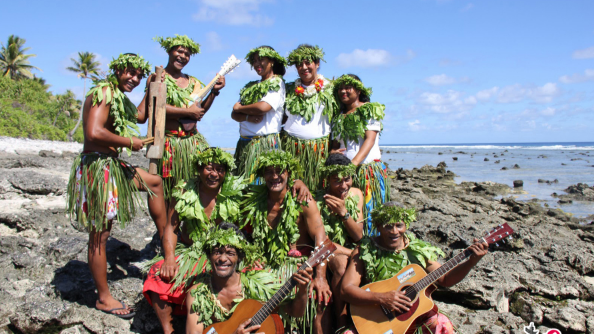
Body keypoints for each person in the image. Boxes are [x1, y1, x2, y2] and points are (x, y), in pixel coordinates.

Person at [66, 53, 167, 318]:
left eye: (137, 75)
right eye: (130, 73)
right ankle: (104, 298)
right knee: (99, 235)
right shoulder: (103, 92)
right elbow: (93, 132)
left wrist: (149, 87)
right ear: (117, 69)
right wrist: (128, 142)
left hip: (111, 164)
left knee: (154, 183)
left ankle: (168, 244)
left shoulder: (118, 96)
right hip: (97, 168)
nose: (133, 78)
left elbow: (141, 116)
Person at [340, 202, 489, 334]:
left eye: (399, 225)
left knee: (443, 325)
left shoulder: (416, 250)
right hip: (378, 321)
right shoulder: (365, 249)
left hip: (414, 318)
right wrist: (382, 298)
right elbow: (346, 289)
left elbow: (445, 278)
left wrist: (471, 262)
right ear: (378, 226)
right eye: (388, 226)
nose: (394, 231)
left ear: (406, 225)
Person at [142, 147, 244, 334]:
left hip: (220, 256)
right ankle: (168, 330)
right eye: (209, 168)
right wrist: (170, 257)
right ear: (199, 169)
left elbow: (240, 232)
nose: (214, 174)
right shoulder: (183, 191)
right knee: (157, 274)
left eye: (220, 169)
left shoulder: (233, 192)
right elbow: (171, 229)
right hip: (191, 253)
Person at [240, 150, 331, 333]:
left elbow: (321, 237)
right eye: (269, 172)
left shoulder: (303, 200)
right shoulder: (254, 200)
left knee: (320, 299)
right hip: (266, 262)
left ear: (289, 173)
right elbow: (242, 234)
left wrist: (320, 277)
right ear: (262, 175)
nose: (274, 176)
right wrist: (250, 256)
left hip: (296, 264)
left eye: (280, 171)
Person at [185, 223, 314, 334]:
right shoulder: (198, 294)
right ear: (209, 255)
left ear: (239, 257)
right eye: (217, 252)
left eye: (230, 253)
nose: (223, 259)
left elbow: (294, 312)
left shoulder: (258, 284)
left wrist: (302, 290)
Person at [150, 34, 226, 199]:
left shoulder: (194, 83)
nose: (183, 56)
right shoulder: (158, 78)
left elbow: (199, 112)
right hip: (168, 143)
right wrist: (186, 112)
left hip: (191, 143)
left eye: (187, 54)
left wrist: (214, 91)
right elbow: (156, 108)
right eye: (179, 51)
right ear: (169, 52)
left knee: (189, 189)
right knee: (167, 191)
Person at [330, 74, 390, 235]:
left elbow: (369, 140)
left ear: (358, 89)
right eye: (340, 88)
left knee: (371, 211)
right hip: (345, 175)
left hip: (367, 171)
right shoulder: (338, 118)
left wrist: (353, 165)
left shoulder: (369, 109)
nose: (343, 91)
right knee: (353, 211)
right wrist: (333, 153)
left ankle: (374, 243)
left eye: (347, 87)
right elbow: (335, 146)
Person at [315, 153, 364, 330]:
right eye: (337, 180)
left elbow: (359, 236)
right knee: (342, 265)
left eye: (347, 179)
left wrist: (344, 214)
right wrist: (351, 254)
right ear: (327, 180)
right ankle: (341, 321)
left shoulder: (356, 194)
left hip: (347, 247)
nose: (344, 185)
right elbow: (324, 242)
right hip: (324, 251)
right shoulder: (318, 200)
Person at [283, 44, 338, 191]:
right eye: (299, 64)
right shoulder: (288, 89)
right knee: (292, 188)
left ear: (317, 63)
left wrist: (335, 147)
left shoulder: (331, 88)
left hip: (320, 149)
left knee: (318, 188)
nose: (304, 67)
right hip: (292, 148)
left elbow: (339, 120)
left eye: (308, 62)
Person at [231, 46, 286, 183]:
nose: (257, 64)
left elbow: (263, 107)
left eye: (261, 59)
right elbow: (234, 114)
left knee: (261, 184)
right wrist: (247, 116)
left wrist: (241, 107)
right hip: (244, 144)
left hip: (265, 144)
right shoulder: (249, 87)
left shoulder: (276, 83)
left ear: (271, 61)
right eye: (254, 61)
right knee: (243, 185)